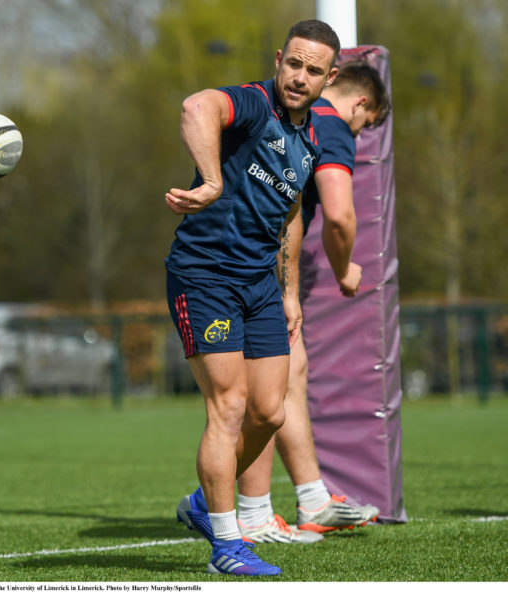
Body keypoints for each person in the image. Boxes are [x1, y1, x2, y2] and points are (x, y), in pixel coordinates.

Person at [177, 62, 392, 546]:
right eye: (368, 123)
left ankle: (289, 500)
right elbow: (337, 213)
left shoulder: (301, 125)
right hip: (227, 272)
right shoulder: (330, 126)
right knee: (251, 400)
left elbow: (291, 209)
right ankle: (255, 514)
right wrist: (343, 269)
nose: (362, 131)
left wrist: (288, 290)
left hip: (264, 273)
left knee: (275, 397)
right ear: (360, 103)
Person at [165, 19, 340, 576]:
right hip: (205, 277)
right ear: (278, 60)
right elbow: (197, 107)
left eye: (314, 70)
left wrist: (289, 292)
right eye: (294, 63)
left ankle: (201, 502)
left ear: (328, 78)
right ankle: (226, 545)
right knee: (231, 405)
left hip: (261, 286)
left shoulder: (311, 139)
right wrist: (212, 181)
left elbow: (291, 215)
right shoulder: (253, 104)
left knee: (270, 410)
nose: (300, 77)